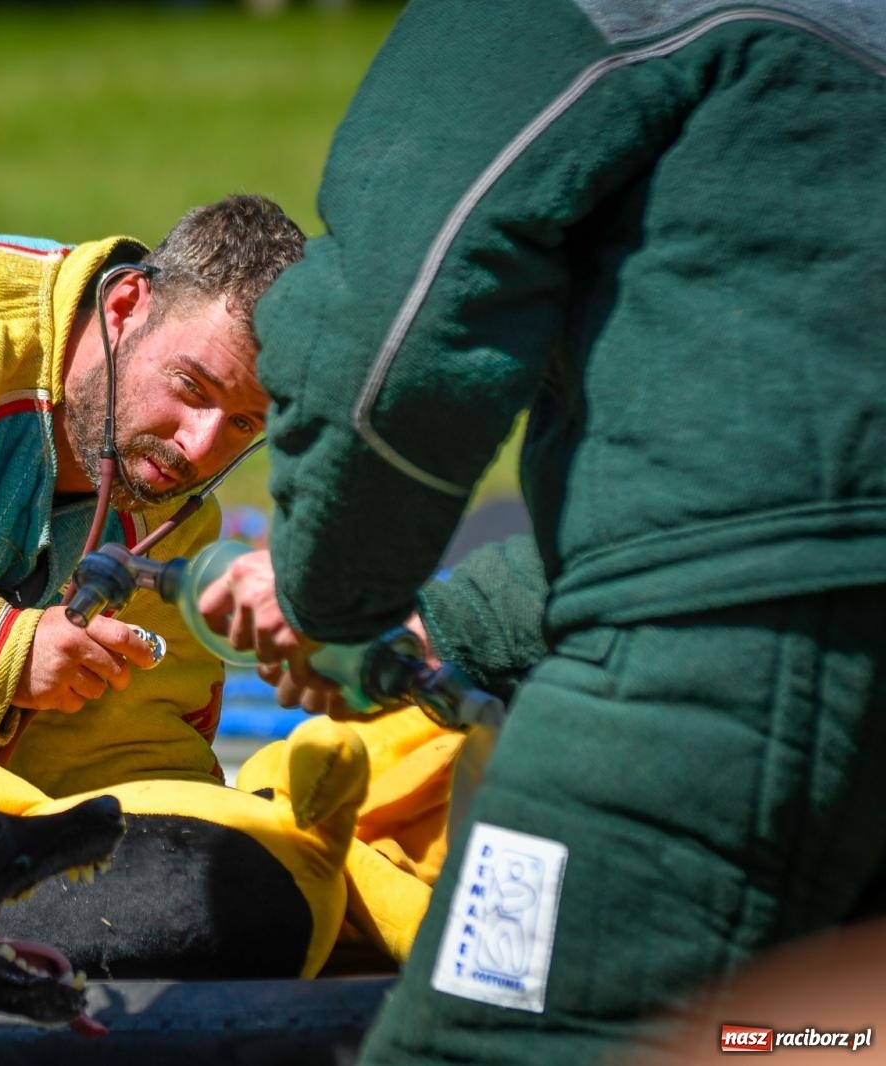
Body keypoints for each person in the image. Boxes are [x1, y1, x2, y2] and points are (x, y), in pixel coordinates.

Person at [203, 1, 886, 1062]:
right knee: (803, 1041)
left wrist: (324, 589)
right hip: (782, 643)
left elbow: (395, 353)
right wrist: (449, 618)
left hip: (725, 687)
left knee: (488, 1036)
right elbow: (790, 480)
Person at [0, 195, 304, 796]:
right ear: (126, 305)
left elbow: (126, 758)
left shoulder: (165, 512)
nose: (197, 448)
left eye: (243, 425)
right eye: (191, 387)